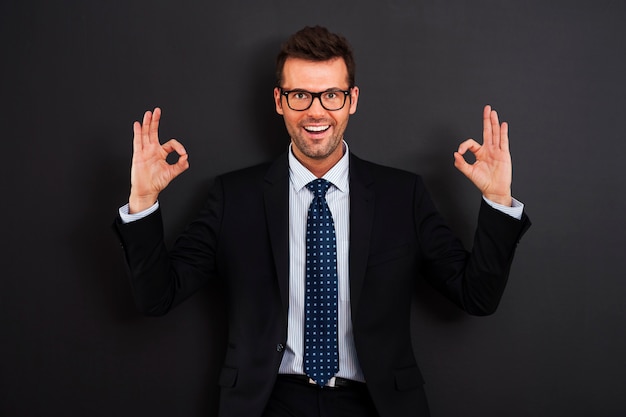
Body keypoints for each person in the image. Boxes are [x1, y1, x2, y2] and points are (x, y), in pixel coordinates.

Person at [114, 26, 530, 417]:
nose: (316, 112)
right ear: (280, 101)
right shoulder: (233, 197)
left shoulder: (403, 195)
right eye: (300, 96)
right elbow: (157, 297)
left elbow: (477, 297)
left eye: (331, 94)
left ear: (352, 100)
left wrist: (496, 200)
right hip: (266, 403)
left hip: (376, 403)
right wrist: (143, 200)